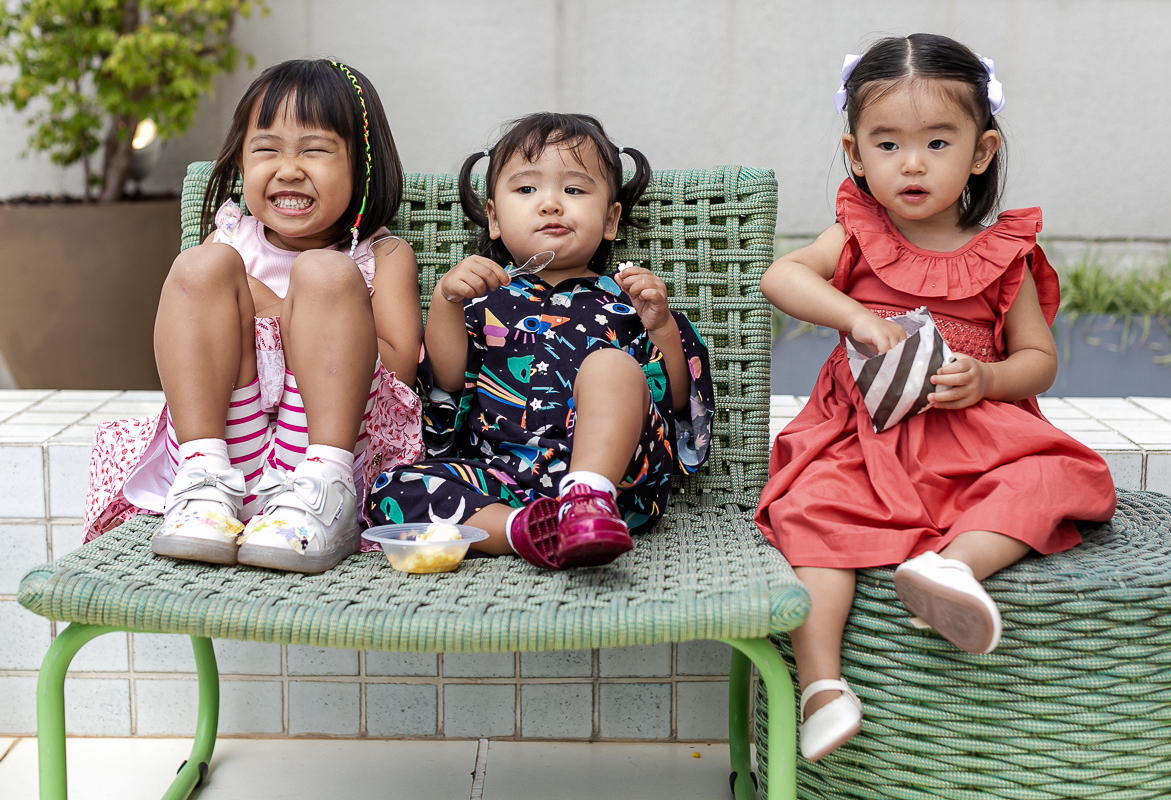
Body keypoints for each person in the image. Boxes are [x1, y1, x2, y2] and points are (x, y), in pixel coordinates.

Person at [754, 34, 1116, 761]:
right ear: (856, 155)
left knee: (1064, 474)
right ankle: (824, 688)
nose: (911, 164)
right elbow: (782, 278)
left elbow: (1039, 362)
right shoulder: (856, 235)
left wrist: (987, 379)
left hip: (975, 434)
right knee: (810, 515)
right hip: (865, 437)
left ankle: (953, 569)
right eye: (887, 144)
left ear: (980, 152)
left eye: (937, 142)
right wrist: (855, 315)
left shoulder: (1002, 254)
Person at [83, 59, 424, 573]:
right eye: (266, 149)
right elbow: (191, 347)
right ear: (241, 163)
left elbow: (398, 373)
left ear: (363, 166)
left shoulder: (381, 257)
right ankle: (202, 484)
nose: (289, 168)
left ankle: (319, 489)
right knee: (200, 268)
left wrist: (280, 308)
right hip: (227, 451)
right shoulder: (230, 242)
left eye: (315, 149)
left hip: (331, 461)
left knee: (326, 275)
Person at [367, 113, 714, 569]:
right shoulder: (482, 300)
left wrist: (662, 327)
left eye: (574, 190)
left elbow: (678, 400)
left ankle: (585, 498)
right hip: (502, 480)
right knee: (389, 490)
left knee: (610, 366)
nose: (551, 204)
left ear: (611, 220)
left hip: (619, 484)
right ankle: (524, 530)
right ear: (493, 217)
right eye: (527, 190)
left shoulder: (631, 301)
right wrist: (446, 300)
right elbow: (447, 381)